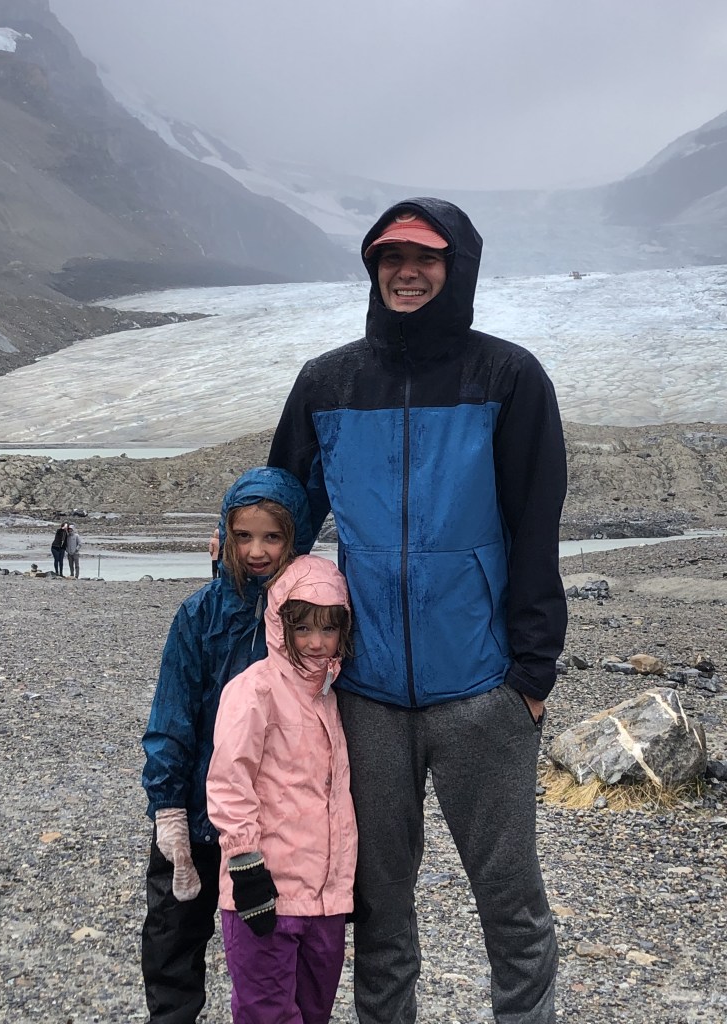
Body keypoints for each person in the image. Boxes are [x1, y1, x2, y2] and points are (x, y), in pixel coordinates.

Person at [268, 198, 568, 1024]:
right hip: (362, 697)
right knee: (381, 908)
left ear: (456, 268)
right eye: (390, 257)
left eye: (425, 258)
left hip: (482, 691)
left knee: (509, 901)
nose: (406, 271)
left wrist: (531, 677)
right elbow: (284, 520)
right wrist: (275, 652)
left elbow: (536, 527)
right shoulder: (328, 383)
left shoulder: (506, 378)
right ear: (373, 269)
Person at [141, 467, 313, 1024]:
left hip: (274, 821)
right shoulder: (198, 615)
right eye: (243, 536)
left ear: (295, 539)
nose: (258, 551)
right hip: (195, 813)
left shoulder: (306, 616)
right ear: (225, 534)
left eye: (273, 537)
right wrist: (168, 807)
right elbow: (172, 714)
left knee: (267, 945)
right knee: (174, 937)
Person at [207, 553, 357, 1024]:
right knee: (266, 1014)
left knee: (314, 1012)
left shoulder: (332, 696)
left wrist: (342, 888)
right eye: (304, 628)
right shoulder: (254, 690)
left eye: (328, 629)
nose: (316, 642)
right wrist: (246, 867)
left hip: (324, 901)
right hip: (264, 892)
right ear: (280, 623)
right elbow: (230, 780)